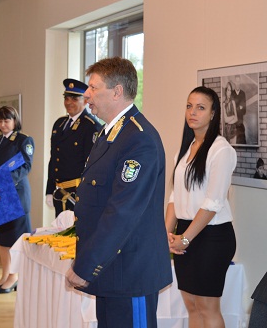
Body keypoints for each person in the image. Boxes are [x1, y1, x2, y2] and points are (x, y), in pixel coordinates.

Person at [65, 57, 172, 328]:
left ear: (116, 92)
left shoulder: (139, 139)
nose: (86, 94)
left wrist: (86, 265)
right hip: (113, 269)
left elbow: (122, 212)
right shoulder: (111, 133)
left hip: (130, 271)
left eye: (93, 87)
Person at [165, 86, 237, 328]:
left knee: (208, 307)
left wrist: (185, 239)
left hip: (212, 236)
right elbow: (175, 196)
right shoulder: (183, 151)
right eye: (189, 106)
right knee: (191, 305)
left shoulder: (221, 150)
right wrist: (167, 233)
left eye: (200, 107)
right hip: (186, 233)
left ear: (213, 113)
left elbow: (213, 202)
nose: (192, 112)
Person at [0, 105, 34, 294]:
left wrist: (4, 180)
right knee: (3, 239)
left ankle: (15, 276)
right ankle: (5, 274)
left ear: (15, 121)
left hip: (16, 195)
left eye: (7, 120)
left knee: (15, 240)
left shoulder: (23, 140)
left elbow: (26, 167)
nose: (3, 124)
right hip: (0, 196)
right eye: (0, 121)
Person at [45, 78, 102, 217]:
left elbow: (92, 166)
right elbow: (54, 159)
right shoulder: (59, 124)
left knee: (75, 236)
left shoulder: (91, 126)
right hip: (60, 193)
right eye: (67, 98)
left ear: (85, 100)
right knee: (60, 235)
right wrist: (49, 189)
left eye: (75, 98)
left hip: (77, 195)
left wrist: (86, 195)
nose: (69, 102)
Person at [232, 75, 247, 144]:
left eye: (239, 82)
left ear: (240, 82)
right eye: (236, 81)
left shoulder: (243, 94)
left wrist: (238, 107)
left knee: (241, 141)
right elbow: (230, 109)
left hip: (240, 122)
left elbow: (244, 110)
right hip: (232, 122)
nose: (237, 83)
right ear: (234, 82)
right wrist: (239, 107)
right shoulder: (231, 94)